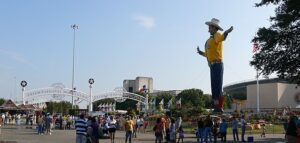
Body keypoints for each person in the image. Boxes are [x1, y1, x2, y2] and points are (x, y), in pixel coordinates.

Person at [197, 18, 233, 112]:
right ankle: (216, 106)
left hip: (217, 64)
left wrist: (226, 32)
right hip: (212, 65)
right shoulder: (210, 40)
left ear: (214, 27)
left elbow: (222, 38)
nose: (208, 29)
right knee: (214, 86)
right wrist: (201, 53)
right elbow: (209, 54)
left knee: (217, 86)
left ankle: (219, 107)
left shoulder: (217, 35)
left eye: (210, 27)